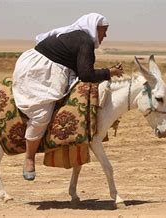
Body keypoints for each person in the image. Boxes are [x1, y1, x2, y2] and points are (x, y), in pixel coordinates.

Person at [13, 13, 124, 181]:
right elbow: (86, 74)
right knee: (42, 115)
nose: (105, 35)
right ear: (94, 28)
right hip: (39, 71)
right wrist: (110, 72)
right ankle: (29, 158)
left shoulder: (81, 39)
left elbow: (83, 70)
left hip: (49, 68)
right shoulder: (85, 42)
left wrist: (108, 71)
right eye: (103, 31)